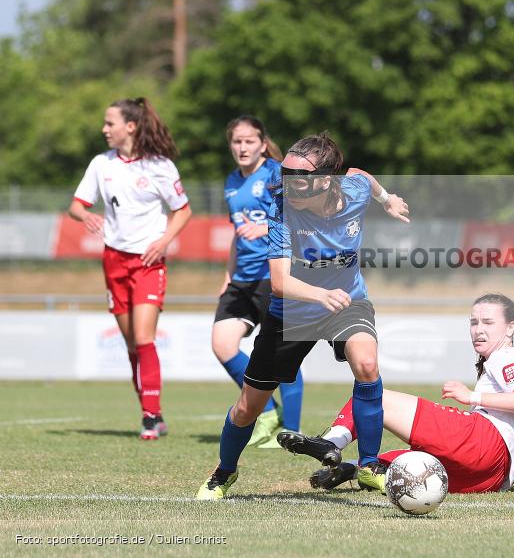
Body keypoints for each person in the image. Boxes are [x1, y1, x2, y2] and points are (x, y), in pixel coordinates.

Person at [197, 132, 410, 500]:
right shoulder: (281, 208)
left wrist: (387, 199)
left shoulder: (354, 189)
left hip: (347, 302)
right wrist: (318, 293)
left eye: (297, 177)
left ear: (327, 180)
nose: (286, 184)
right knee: (248, 408)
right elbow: (279, 283)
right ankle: (224, 472)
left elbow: (362, 174)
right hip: (291, 311)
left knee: (367, 365)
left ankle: (370, 465)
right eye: (284, 174)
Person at [278, 293, 514, 494]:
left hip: (483, 444)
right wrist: (502, 477)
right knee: (403, 466)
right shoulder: (504, 361)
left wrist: (472, 397)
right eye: (474, 322)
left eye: (488, 322)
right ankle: (356, 470)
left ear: (510, 328)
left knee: (373, 396)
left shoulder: (508, 356)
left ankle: (332, 442)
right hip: (491, 478)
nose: (478, 329)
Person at [68, 97, 192, 440]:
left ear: (131, 127)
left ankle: (150, 417)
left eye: (110, 123)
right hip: (113, 260)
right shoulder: (101, 164)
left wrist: (163, 241)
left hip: (148, 262)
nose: (104, 129)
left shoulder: (160, 166)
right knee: (130, 344)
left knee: (143, 337)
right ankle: (152, 412)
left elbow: (182, 210)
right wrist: (86, 214)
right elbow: (75, 206)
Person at [212, 115, 304, 448]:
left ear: (262, 143)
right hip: (242, 278)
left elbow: (300, 218)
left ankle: (290, 431)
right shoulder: (231, 181)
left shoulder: (277, 174)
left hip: (273, 274)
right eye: (237, 141)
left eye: (249, 141)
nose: (242, 147)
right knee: (222, 344)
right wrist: (228, 274)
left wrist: (265, 228)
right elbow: (238, 234)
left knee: (283, 355)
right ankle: (266, 410)